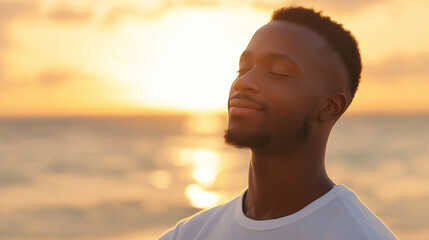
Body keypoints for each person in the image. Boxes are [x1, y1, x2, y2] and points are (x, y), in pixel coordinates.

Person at [159, 6, 397, 240]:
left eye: (278, 72)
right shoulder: (189, 234)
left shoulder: (357, 234)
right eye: (243, 68)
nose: (244, 82)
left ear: (330, 106)